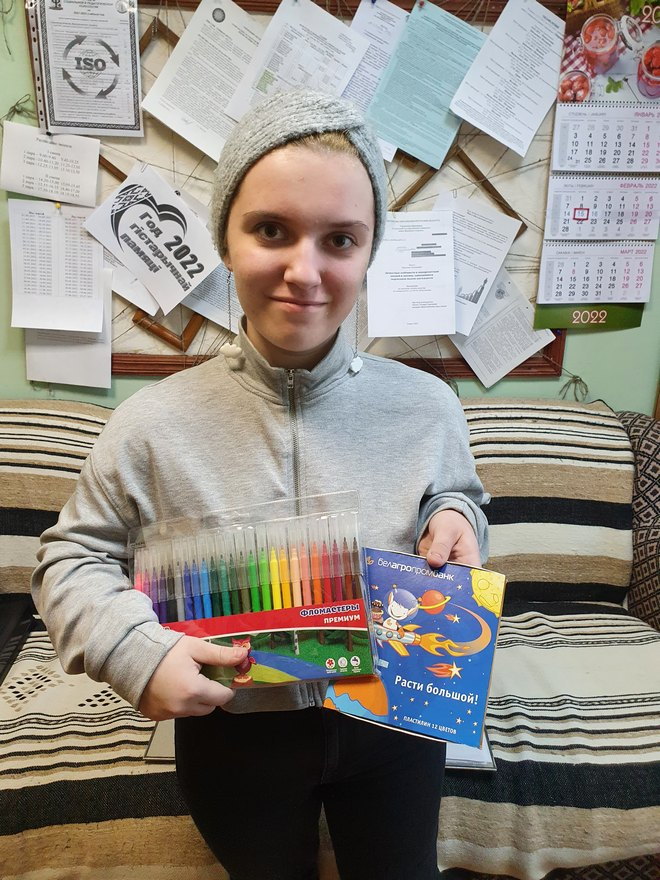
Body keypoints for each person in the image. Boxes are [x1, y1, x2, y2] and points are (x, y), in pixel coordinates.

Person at [32, 90, 489, 880]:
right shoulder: (149, 424)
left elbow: (459, 497)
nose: (304, 272)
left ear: (369, 252)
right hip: (233, 735)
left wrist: (456, 517)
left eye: (339, 239)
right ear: (225, 239)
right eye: (272, 230)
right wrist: (133, 649)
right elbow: (70, 559)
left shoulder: (428, 405)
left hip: (396, 718)